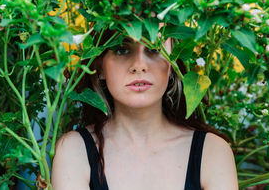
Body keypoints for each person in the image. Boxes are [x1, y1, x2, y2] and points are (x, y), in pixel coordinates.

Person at [52, 29, 238, 190]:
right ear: (100, 67)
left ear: (173, 63)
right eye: (122, 49)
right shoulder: (74, 151)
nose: (139, 66)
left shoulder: (212, 152)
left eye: (154, 49)